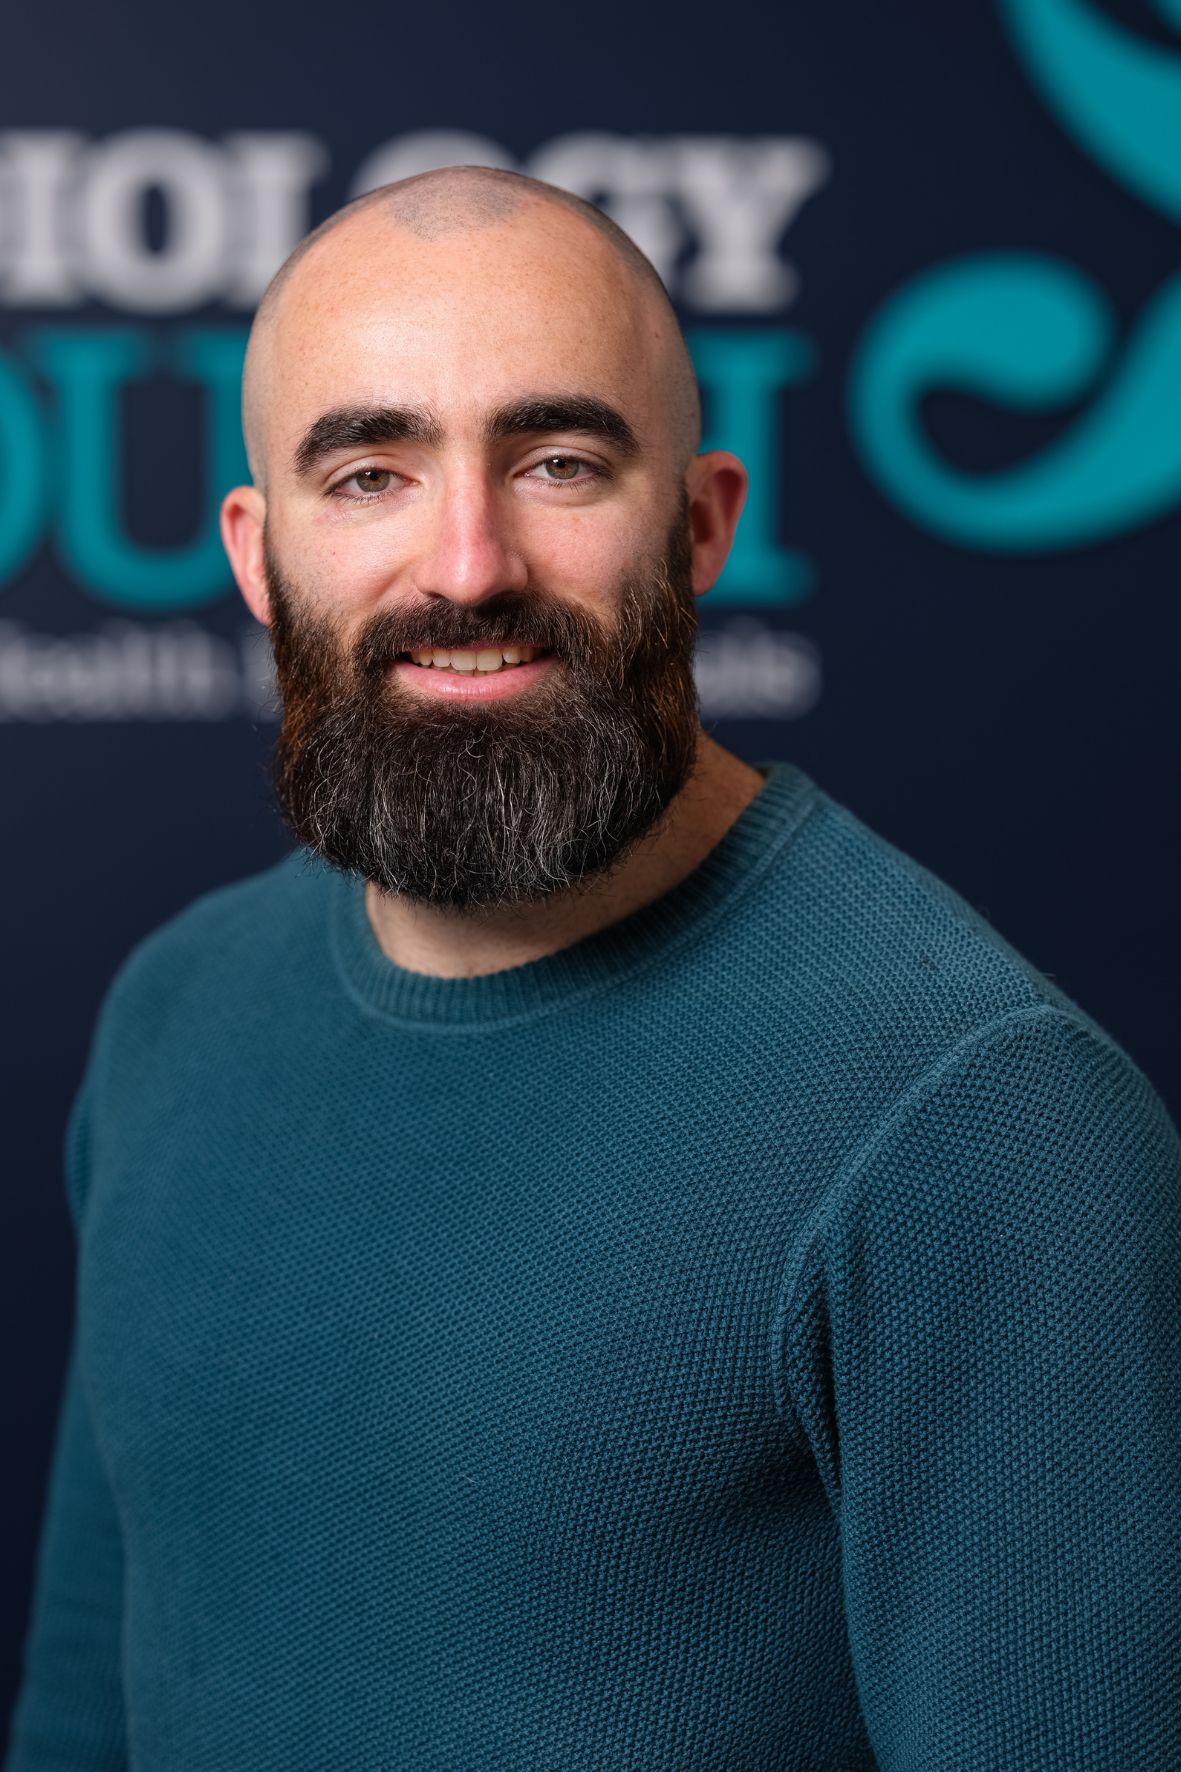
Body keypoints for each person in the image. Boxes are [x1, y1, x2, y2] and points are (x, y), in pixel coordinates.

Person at [6, 166, 1179, 1772]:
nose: (467, 565)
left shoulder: (980, 1118)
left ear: (700, 527)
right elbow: (86, 1706)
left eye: (557, 462)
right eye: (369, 473)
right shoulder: (176, 1009)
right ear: (257, 555)